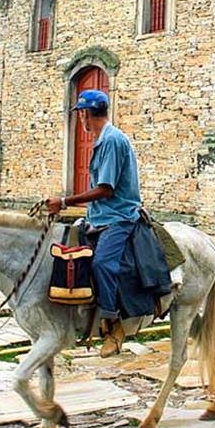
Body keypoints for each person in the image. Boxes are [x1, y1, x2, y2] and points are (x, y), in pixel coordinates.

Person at [45, 89, 141, 357]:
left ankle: (113, 326)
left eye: (80, 115)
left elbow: (106, 189)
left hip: (118, 216)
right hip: (98, 216)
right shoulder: (102, 140)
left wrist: (64, 202)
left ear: (86, 114)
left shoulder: (111, 140)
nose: (80, 120)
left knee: (102, 264)